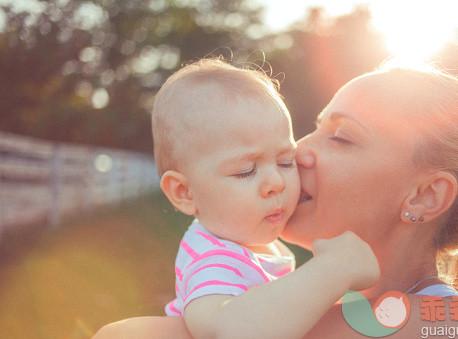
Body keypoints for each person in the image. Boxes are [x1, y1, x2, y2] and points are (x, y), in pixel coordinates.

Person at [94, 64, 458, 338]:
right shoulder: (323, 305)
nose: (297, 152)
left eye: (341, 137)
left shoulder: (440, 325)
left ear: (424, 196)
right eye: (311, 129)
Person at [147, 58, 380, 339]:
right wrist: (333, 271)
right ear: (184, 192)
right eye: (246, 171)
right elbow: (226, 331)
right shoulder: (212, 261)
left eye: (285, 162)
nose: (277, 182)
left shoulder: (248, 242)